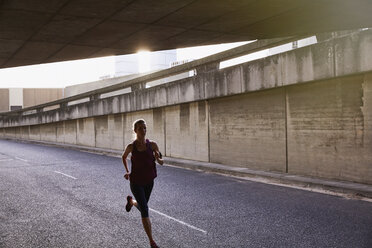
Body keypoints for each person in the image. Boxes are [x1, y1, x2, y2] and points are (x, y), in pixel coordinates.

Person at [122, 119, 164, 248]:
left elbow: (161, 161)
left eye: (144, 128)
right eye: (140, 128)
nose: (143, 130)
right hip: (136, 182)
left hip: (149, 181)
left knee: (142, 205)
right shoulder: (131, 146)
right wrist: (128, 171)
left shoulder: (152, 145)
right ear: (135, 130)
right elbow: (123, 157)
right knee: (145, 209)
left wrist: (158, 158)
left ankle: (131, 202)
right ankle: (152, 241)